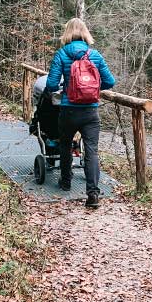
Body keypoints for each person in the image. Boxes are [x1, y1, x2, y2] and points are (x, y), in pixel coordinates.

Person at [45, 18, 115, 208]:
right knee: (92, 151)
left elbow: (51, 84)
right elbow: (110, 82)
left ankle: (66, 182)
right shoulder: (95, 55)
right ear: (85, 33)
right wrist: (91, 88)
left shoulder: (61, 54)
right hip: (91, 112)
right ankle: (92, 193)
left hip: (68, 110)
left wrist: (65, 86)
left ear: (67, 33)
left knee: (65, 144)